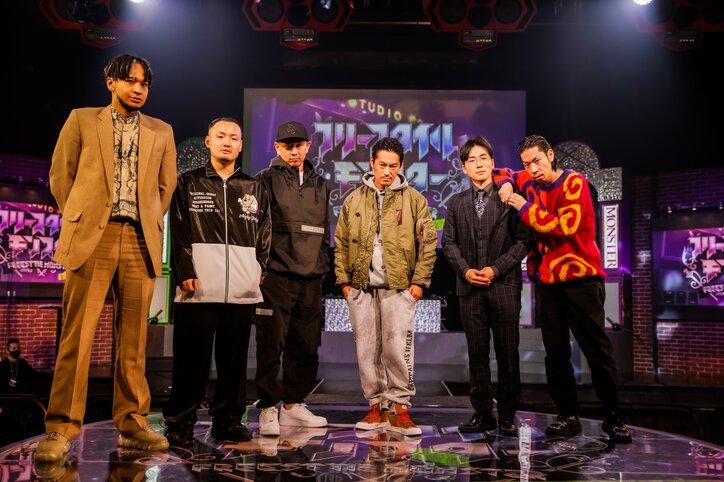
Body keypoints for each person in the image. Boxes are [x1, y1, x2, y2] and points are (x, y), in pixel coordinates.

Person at [36, 54, 177, 462]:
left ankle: (132, 420)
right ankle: (61, 426)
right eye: (130, 80)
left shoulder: (162, 130)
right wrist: (80, 216)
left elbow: (165, 187)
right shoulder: (82, 119)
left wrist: (148, 218)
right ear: (110, 82)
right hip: (92, 237)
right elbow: (60, 176)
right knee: (77, 337)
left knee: (134, 340)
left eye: (144, 83)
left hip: (138, 239)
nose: (138, 88)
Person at [495, 134, 631, 444]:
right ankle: (568, 415)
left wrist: (522, 205)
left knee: (596, 350)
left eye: (537, 161)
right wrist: (505, 184)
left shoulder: (574, 183)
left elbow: (562, 227)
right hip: (548, 284)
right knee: (555, 354)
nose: (533, 169)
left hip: (580, 280)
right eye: (527, 164)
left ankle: (614, 417)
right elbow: (502, 172)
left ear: (551, 155)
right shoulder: (528, 181)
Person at [162, 117, 271, 446]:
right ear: (208, 141)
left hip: (241, 287)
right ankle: (180, 421)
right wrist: (185, 271)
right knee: (190, 360)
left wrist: (260, 267)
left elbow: (265, 231)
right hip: (198, 286)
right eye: (220, 136)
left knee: (233, 363)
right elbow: (179, 230)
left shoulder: (254, 187)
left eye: (234, 137)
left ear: (241, 145)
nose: (227, 142)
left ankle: (228, 421)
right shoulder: (188, 182)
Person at [334, 137, 437, 436]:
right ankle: (376, 407)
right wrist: (344, 283)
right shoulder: (353, 199)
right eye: (382, 165)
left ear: (401, 166)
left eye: (393, 166)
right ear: (372, 163)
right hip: (361, 287)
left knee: (397, 349)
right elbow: (340, 243)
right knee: (367, 350)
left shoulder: (414, 200)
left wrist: (419, 283)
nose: (387, 171)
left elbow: (428, 243)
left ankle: (400, 408)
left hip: (400, 287)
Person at [442, 136, 533, 436]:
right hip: (469, 290)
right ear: (464, 168)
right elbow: (449, 243)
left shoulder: (510, 197)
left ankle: (507, 415)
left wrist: (496, 269)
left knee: (508, 352)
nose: (479, 164)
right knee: (477, 354)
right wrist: (466, 271)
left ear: (493, 163)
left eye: (484, 158)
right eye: (472, 160)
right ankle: (482, 413)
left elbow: (524, 241)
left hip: (504, 287)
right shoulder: (456, 203)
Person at [254, 121, 331, 436]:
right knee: (271, 343)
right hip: (276, 276)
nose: (294, 151)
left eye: (299, 145)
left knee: (306, 344)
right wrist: (260, 267)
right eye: (287, 146)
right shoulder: (264, 179)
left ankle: (293, 404)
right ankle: (268, 406)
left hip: (311, 277)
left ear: (308, 146)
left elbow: (325, 231)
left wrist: (322, 264)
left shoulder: (321, 184)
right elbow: (257, 226)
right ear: (277, 148)